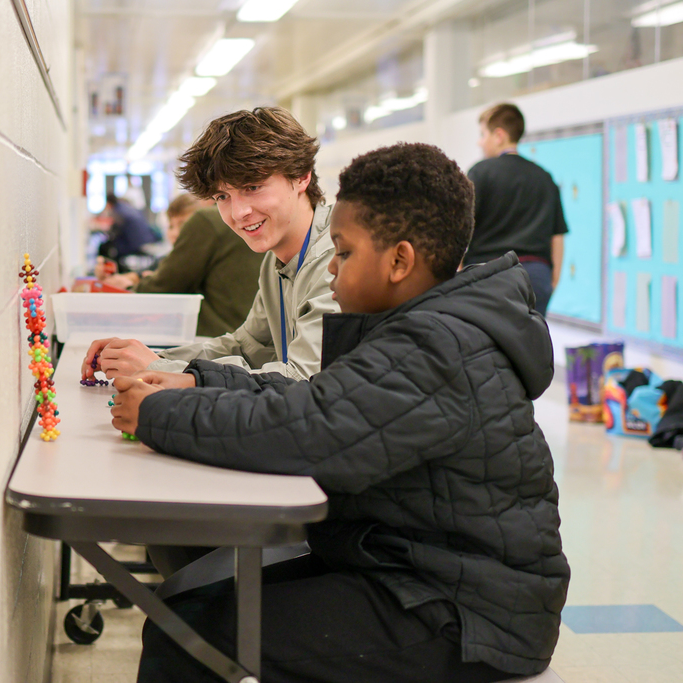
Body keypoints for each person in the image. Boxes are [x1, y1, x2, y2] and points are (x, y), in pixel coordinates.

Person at [110, 143, 569, 683]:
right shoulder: (422, 327)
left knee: (188, 631)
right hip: (408, 568)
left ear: (400, 261)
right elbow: (317, 401)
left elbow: (308, 431)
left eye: (345, 254)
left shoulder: (437, 345)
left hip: (464, 612)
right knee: (186, 602)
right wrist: (198, 379)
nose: (330, 269)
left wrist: (162, 414)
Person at [80, 106, 338, 383]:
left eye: (252, 187)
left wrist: (162, 370)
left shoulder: (336, 256)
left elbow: (303, 379)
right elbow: (247, 346)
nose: (238, 213)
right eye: (222, 197)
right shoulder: (278, 261)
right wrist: (154, 359)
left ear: (301, 176)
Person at [102, 194, 265, 337]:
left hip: (215, 337)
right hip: (248, 337)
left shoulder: (207, 219)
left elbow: (166, 284)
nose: (176, 232)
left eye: (184, 225)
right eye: (171, 226)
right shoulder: (249, 221)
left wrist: (128, 289)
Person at [464, 102, 568, 317]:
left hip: (488, 274)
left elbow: (461, 225)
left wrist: (456, 271)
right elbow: (557, 235)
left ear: (499, 135)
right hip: (536, 277)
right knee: (529, 344)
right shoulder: (544, 177)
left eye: (483, 135)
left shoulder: (480, 172)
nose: (479, 142)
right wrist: (552, 278)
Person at [99, 193, 159, 270]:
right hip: (147, 238)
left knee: (109, 248)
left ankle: (115, 272)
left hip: (135, 243)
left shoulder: (118, 211)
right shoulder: (125, 207)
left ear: (108, 203)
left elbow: (116, 231)